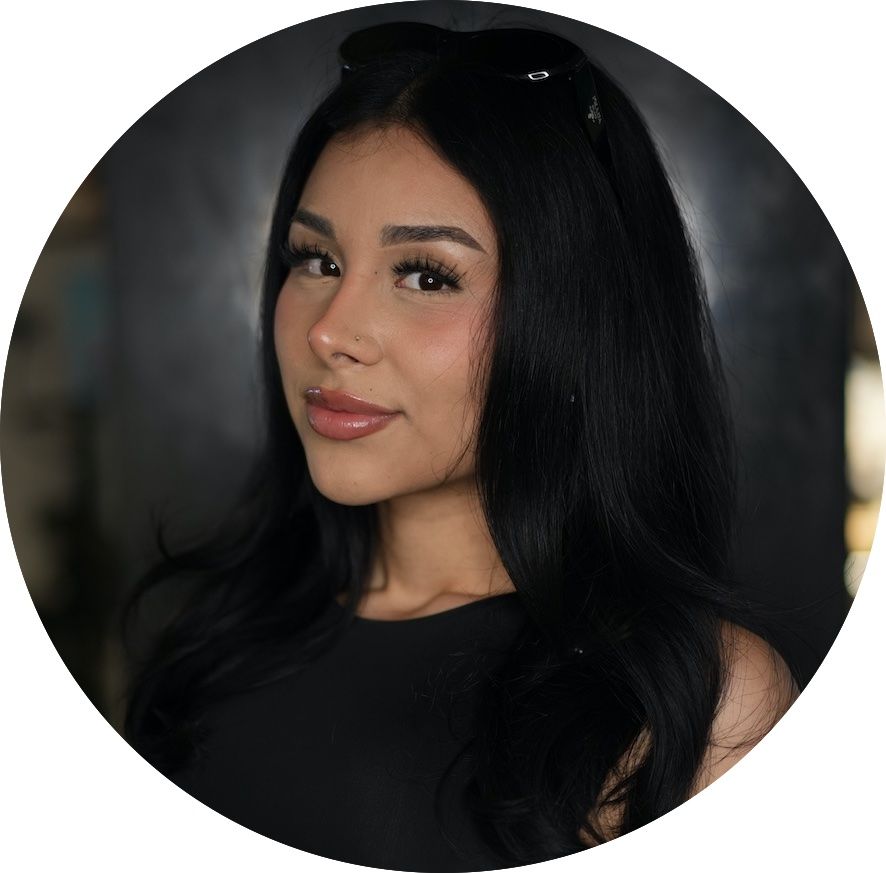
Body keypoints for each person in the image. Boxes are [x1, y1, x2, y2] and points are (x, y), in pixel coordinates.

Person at [124, 22, 797, 872]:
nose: (330, 331)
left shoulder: (689, 704)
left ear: (574, 316)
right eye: (316, 259)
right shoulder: (213, 633)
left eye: (426, 275)